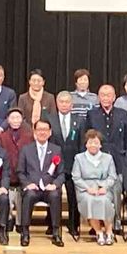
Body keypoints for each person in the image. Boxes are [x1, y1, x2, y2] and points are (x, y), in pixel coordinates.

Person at [85, 85, 127, 232]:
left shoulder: (122, 114)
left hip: (118, 161)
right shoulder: (92, 114)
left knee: (116, 191)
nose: (106, 98)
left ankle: (116, 221)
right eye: (103, 95)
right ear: (99, 97)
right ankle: (97, 224)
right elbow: (87, 139)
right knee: (97, 192)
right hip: (97, 161)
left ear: (114, 97)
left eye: (108, 95)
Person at [17, 119, 64, 247]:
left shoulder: (56, 150)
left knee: (55, 195)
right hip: (33, 187)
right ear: (34, 132)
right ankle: (25, 232)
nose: (42, 132)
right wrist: (27, 184)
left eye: (45, 130)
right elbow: (20, 172)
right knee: (29, 195)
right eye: (39, 130)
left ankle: (56, 232)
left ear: (50, 132)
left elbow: (61, 174)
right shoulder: (26, 150)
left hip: (49, 187)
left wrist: (55, 184)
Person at [72, 130, 118, 245]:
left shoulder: (108, 158)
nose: (93, 145)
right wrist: (88, 188)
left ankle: (109, 231)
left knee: (105, 200)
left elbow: (112, 176)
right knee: (90, 200)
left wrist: (104, 187)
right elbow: (76, 177)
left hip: (103, 189)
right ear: (86, 144)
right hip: (86, 190)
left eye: (96, 143)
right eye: (90, 142)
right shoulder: (79, 158)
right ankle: (98, 232)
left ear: (100, 145)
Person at [49, 91, 82, 237]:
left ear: (71, 104)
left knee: (73, 197)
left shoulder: (79, 120)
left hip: (72, 164)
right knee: (52, 194)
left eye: (67, 102)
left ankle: (73, 225)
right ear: (57, 103)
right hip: (53, 165)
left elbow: (82, 144)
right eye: (61, 102)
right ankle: (52, 225)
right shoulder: (49, 119)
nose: (64, 104)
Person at [0, 107, 32, 232]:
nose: (15, 120)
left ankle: (20, 223)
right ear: (8, 120)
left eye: (18, 117)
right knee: (8, 199)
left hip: (23, 175)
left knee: (22, 199)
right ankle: (9, 220)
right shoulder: (2, 137)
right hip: (8, 174)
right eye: (12, 118)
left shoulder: (29, 136)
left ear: (22, 119)